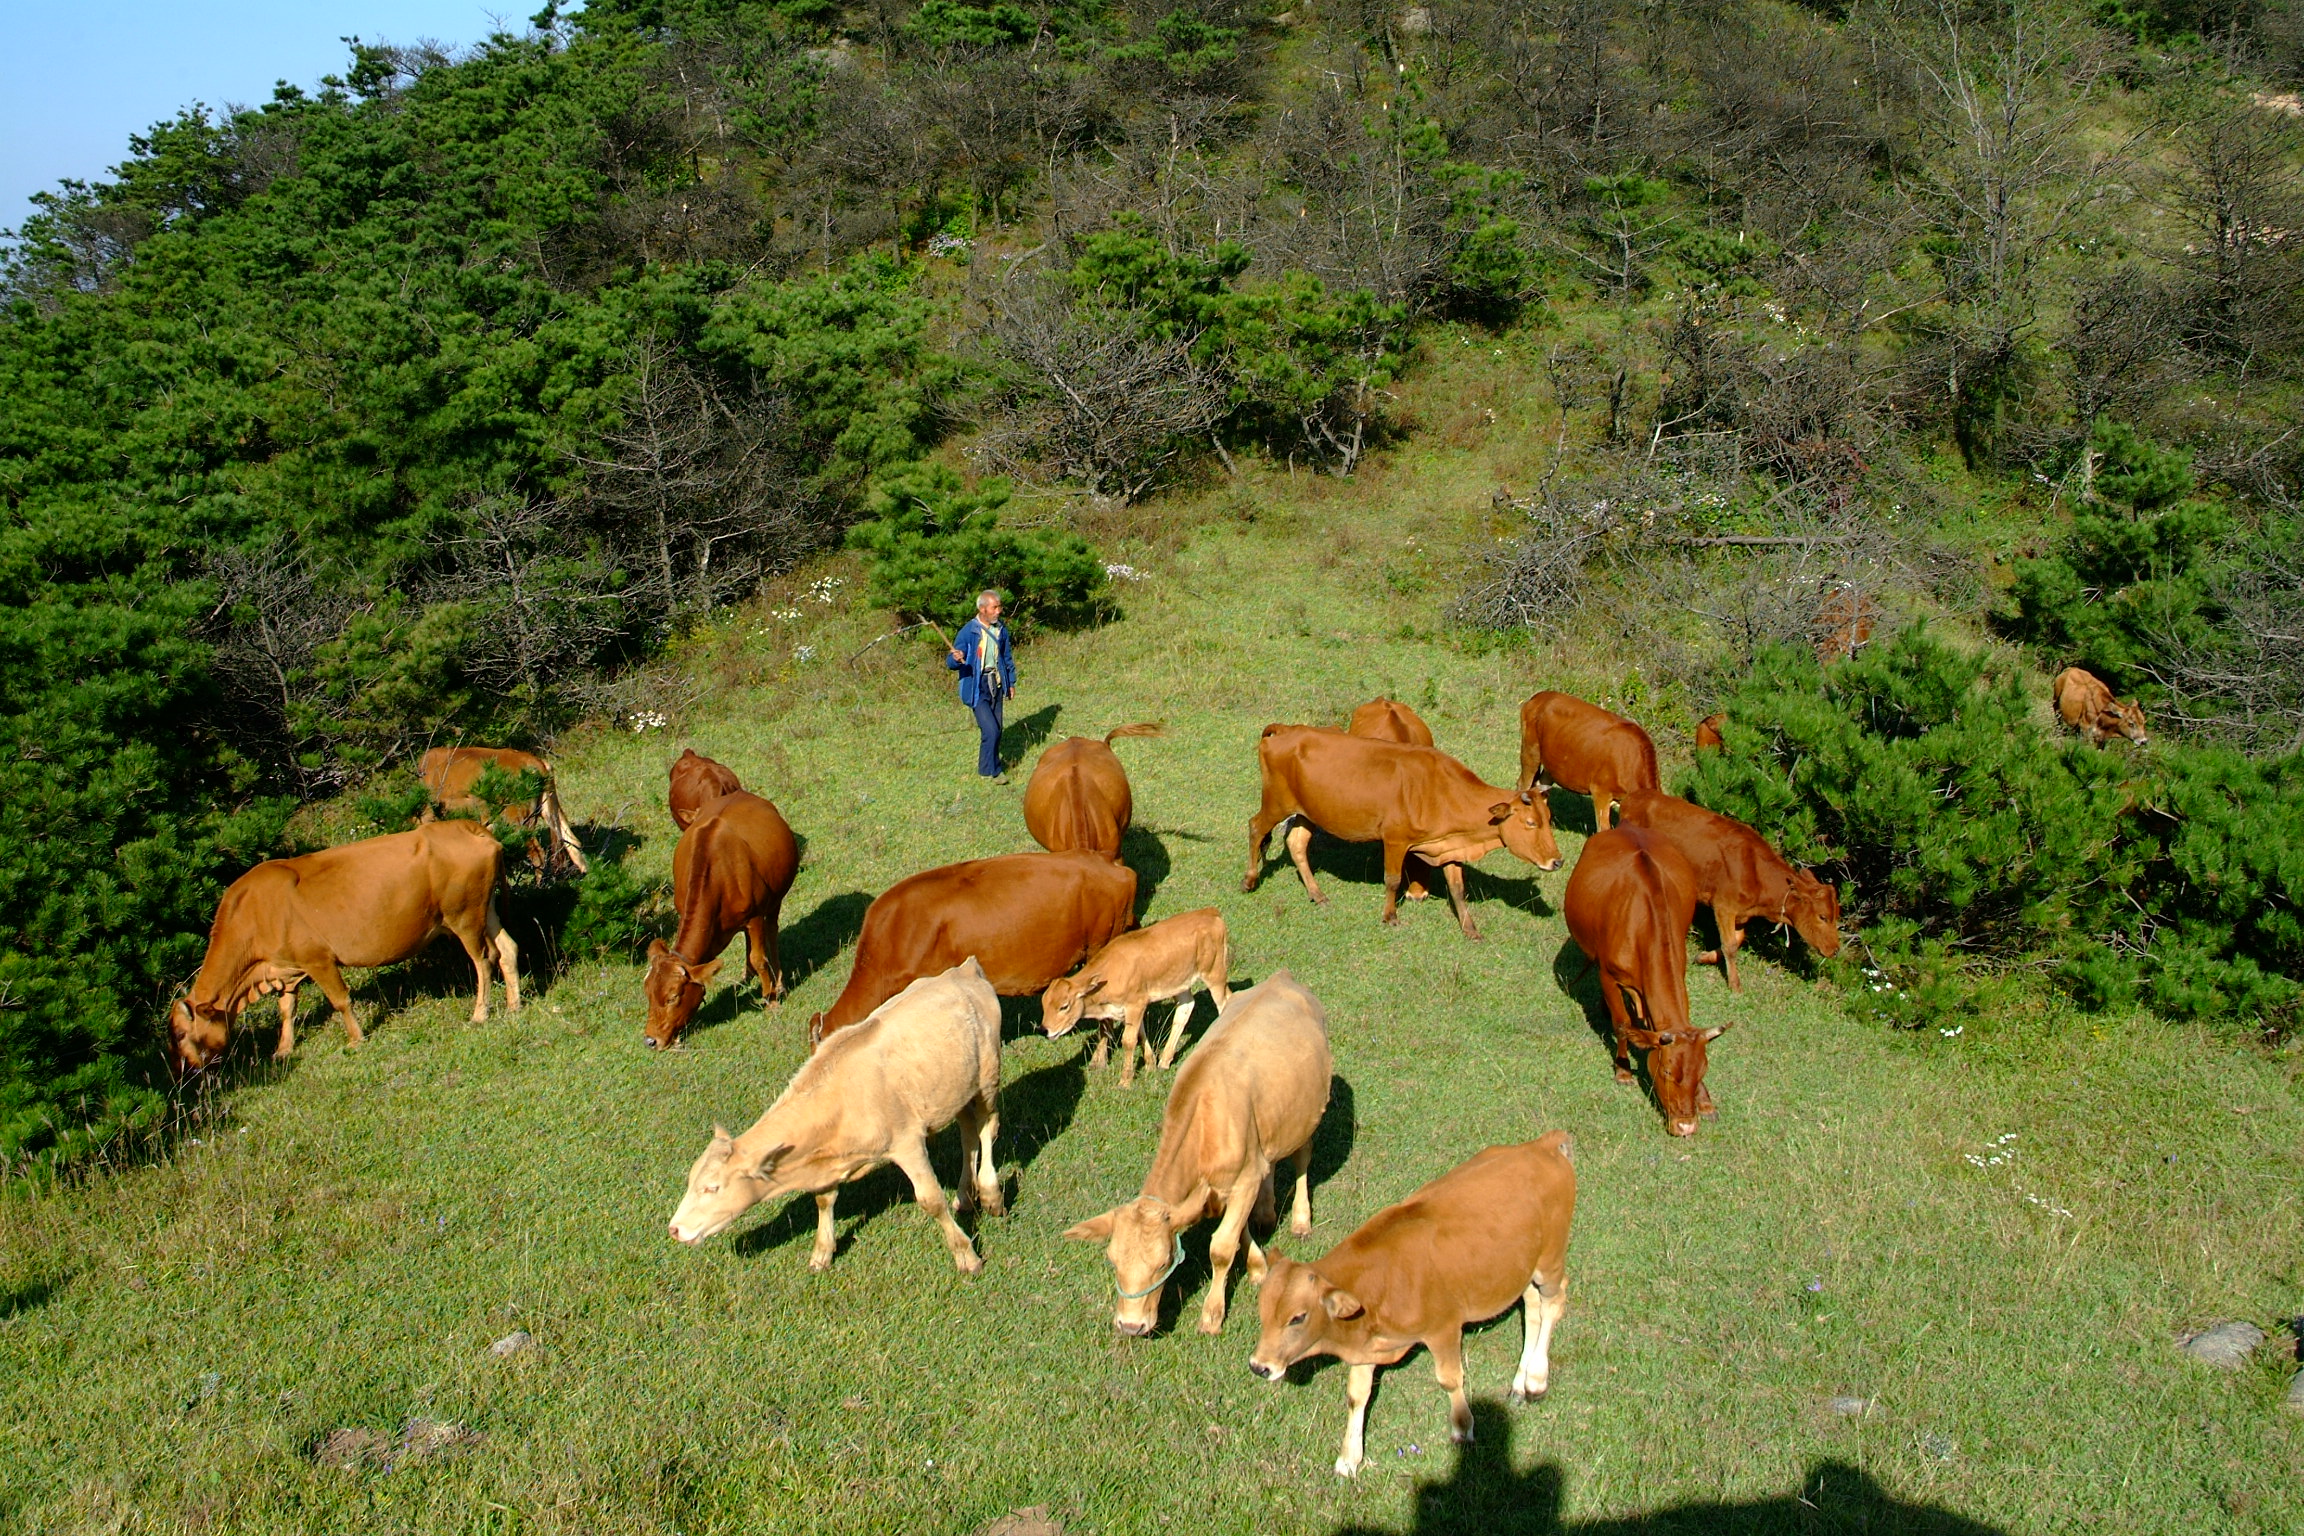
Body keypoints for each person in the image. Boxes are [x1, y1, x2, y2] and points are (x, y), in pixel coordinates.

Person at [945, 590, 1017, 781]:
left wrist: (1011, 682)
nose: (998, 611)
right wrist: (956, 658)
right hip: (977, 687)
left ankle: (986, 768)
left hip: (997, 683)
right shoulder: (969, 631)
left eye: (999, 607)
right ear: (982, 609)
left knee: (997, 729)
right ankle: (995, 771)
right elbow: (950, 663)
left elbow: (1006, 657)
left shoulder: (1001, 630)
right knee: (990, 730)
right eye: (994, 607)